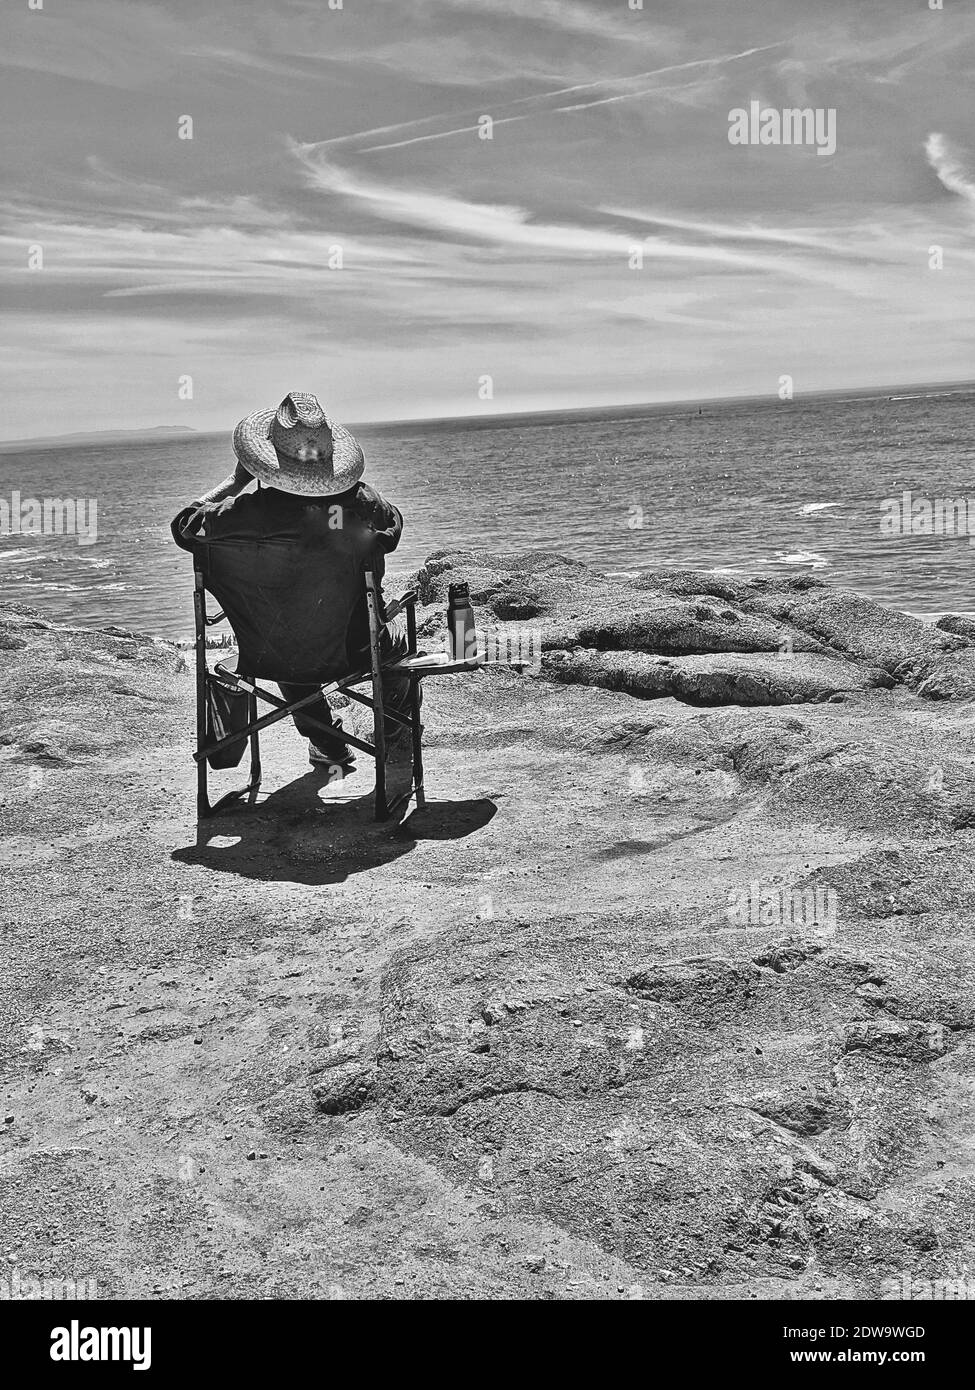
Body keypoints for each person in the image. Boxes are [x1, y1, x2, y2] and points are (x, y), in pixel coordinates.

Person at [171, 391, 414, 779]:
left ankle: (329, 745)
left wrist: (235, 483)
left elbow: (185, 525)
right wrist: (344, 495)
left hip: (267, 651)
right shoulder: (356, 506)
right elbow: (392, 526)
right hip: (357, 648)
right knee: (394, 642)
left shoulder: (241, 515)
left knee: (285, 632)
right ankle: (395, 734)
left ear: (264, 463)